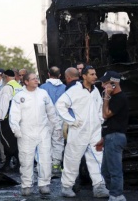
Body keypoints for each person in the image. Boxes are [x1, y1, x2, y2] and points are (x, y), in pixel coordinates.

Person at [55, 65, 109, 198]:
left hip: (94, 131)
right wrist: (71, 121)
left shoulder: (95, 91)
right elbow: (60, 105)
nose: (95, 76)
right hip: (78, 132)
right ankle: (67, 186)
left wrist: (100, 119)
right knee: (72, 159)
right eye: (91, 74)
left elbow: (100, 106)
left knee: (97, 158)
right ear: (84, 76)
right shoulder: (74, 91)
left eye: (95, 74)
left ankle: (99, 186)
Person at [10, 72, 60, 195]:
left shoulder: (43, 94)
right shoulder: (19, 96)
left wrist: (57, 126)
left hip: (43, 132)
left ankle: (44, 184)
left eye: (36, 79)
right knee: (26, 160)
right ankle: (26, 185)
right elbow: (14, 115)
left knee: (45, 159)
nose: (36, 81)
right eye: (33, 79)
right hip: (26, 133)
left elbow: (51, 112)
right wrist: (16, 129)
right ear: (26, 82)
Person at [96, 71, 129, 201]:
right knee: (105, 171)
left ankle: (117, 195)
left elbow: (106, 115)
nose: (103, 86)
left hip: (115, 137)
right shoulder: (115, 98)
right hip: (110, 137)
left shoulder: (120, 98)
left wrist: (106, 98)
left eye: (105, 83)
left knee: (114, 170)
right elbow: (110, 122)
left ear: (113, 84)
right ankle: (114, 193)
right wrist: (103, 138)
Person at [40, 66, 66, 176]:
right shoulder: (65, 87)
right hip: (60, 119)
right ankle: (56, 166)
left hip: (45, 119)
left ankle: (46, 166)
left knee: (45, 142)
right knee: (58, 142)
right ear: (60, 75)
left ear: (48, 74)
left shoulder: (42, 88)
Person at [0, 69, 23, 172]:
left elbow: (3, 105)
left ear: (5, 77)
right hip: (18, 118)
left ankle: (15, 162)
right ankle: (13, 163)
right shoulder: (19, 87)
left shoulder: (7, 88)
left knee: (6, 141)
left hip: (7, 119)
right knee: (14, 141)